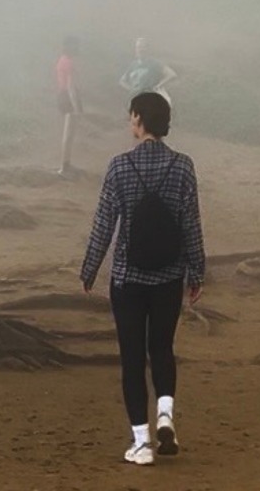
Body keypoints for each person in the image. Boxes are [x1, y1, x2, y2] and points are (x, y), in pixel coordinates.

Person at [80, 91, 206, 467]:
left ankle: (141, 443)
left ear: (138, 119)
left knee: (132, 359)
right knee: (163, 349)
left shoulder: (119, 167)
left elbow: (104, 224)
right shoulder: (183, 166)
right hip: (169, 276)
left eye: (131, 116)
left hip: (128, 279)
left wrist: (90, 268)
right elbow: (190, 224)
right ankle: (165, 414)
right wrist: (197, 271)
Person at [119, 36, 178, 103]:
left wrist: (158, 86)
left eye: (142, 47)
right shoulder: (133, 65)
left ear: (147, 49)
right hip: (135, 99)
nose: (140, 50)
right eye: (138, 47)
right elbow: (122, 81)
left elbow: (172, 74)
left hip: (150, 99)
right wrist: (132, 90)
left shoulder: (154, 63)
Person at [54, 35, 82, 178]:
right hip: (68, 97)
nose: (77, 48)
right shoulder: (69, 62)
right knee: (68, 133)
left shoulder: (62, 60)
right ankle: (64, 166)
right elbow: (71, 86)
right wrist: (76, 106)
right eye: (75, 45)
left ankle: (66, 163)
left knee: (69, 133)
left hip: (62, 95)